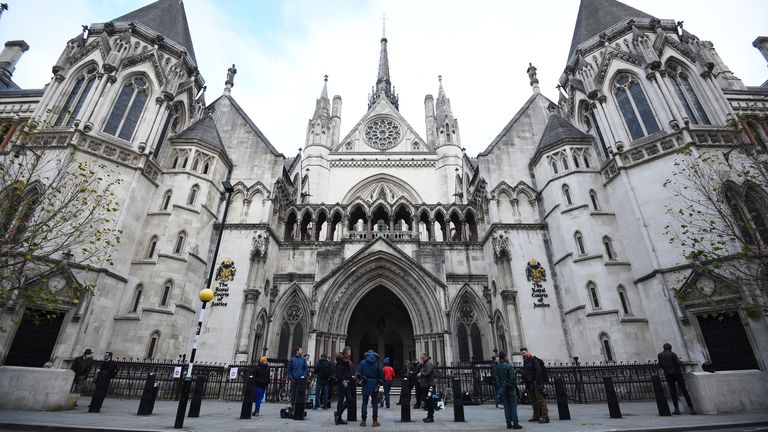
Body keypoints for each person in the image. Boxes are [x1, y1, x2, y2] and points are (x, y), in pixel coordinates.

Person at [658, 343, 696, 415]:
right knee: (684, 390)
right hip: (677, 373)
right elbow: (677, 363)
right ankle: (691, 408)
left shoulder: (660, 355)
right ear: (670, 348)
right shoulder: (673, 354)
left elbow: (660, 364)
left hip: (668, 374)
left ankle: (676, 409)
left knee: (673, 392)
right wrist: (681, 362)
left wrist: (666, 370)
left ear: (663, 348)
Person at [520, 347, 548, 423]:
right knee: (533, 400)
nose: (523, 354)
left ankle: (545, 416)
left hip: (535, 383)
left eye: (524, 352)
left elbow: (539, 370)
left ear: (527, 352)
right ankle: (536, 416)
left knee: (540, 399)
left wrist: (536, 380)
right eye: (522, 353)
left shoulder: (533, 359)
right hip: (529, 383)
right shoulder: (525, 361)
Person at [358, 350, 384, 427]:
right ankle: (374, 421)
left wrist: (362, 378)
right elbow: (381, 374)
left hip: (365, 383)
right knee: (375, 403)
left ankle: (363, 421)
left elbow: (358, 373)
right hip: (374, 384)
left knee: (364, 402)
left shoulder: (362, 363)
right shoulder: (377, 363)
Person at [497, 352, 522, 430]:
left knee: (506, 407)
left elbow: (497, 378)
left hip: (503, 388)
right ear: (504, 357)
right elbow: (512, 379)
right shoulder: (509, 366)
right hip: (510, 389)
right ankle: (515, 424)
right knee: (513, 406)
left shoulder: (498, 367)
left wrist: (501, 386)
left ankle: (508, 423)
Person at [334, 347, 354, 425]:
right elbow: (339, 373)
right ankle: (339, 417)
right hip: (343, 383)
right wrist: (343, 381)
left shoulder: (345, 360)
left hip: (347, 383)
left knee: (349, 399)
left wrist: (351, 377)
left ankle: (338, 414)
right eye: (349, 352)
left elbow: (346, 372)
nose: (350, 354)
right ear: (346, 353)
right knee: (341, 399)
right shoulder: (341, 361)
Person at [417, 352, 435, 423]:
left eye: (422, 358)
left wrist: (421, 374)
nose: (421, 359)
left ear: (425, 357)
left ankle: (431, 417)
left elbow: (428, 372)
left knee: (430, 401)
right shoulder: (424, 364)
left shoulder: (428, 364)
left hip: (429, 385)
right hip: (425, 385)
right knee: (427, 401)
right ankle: (429, 416)